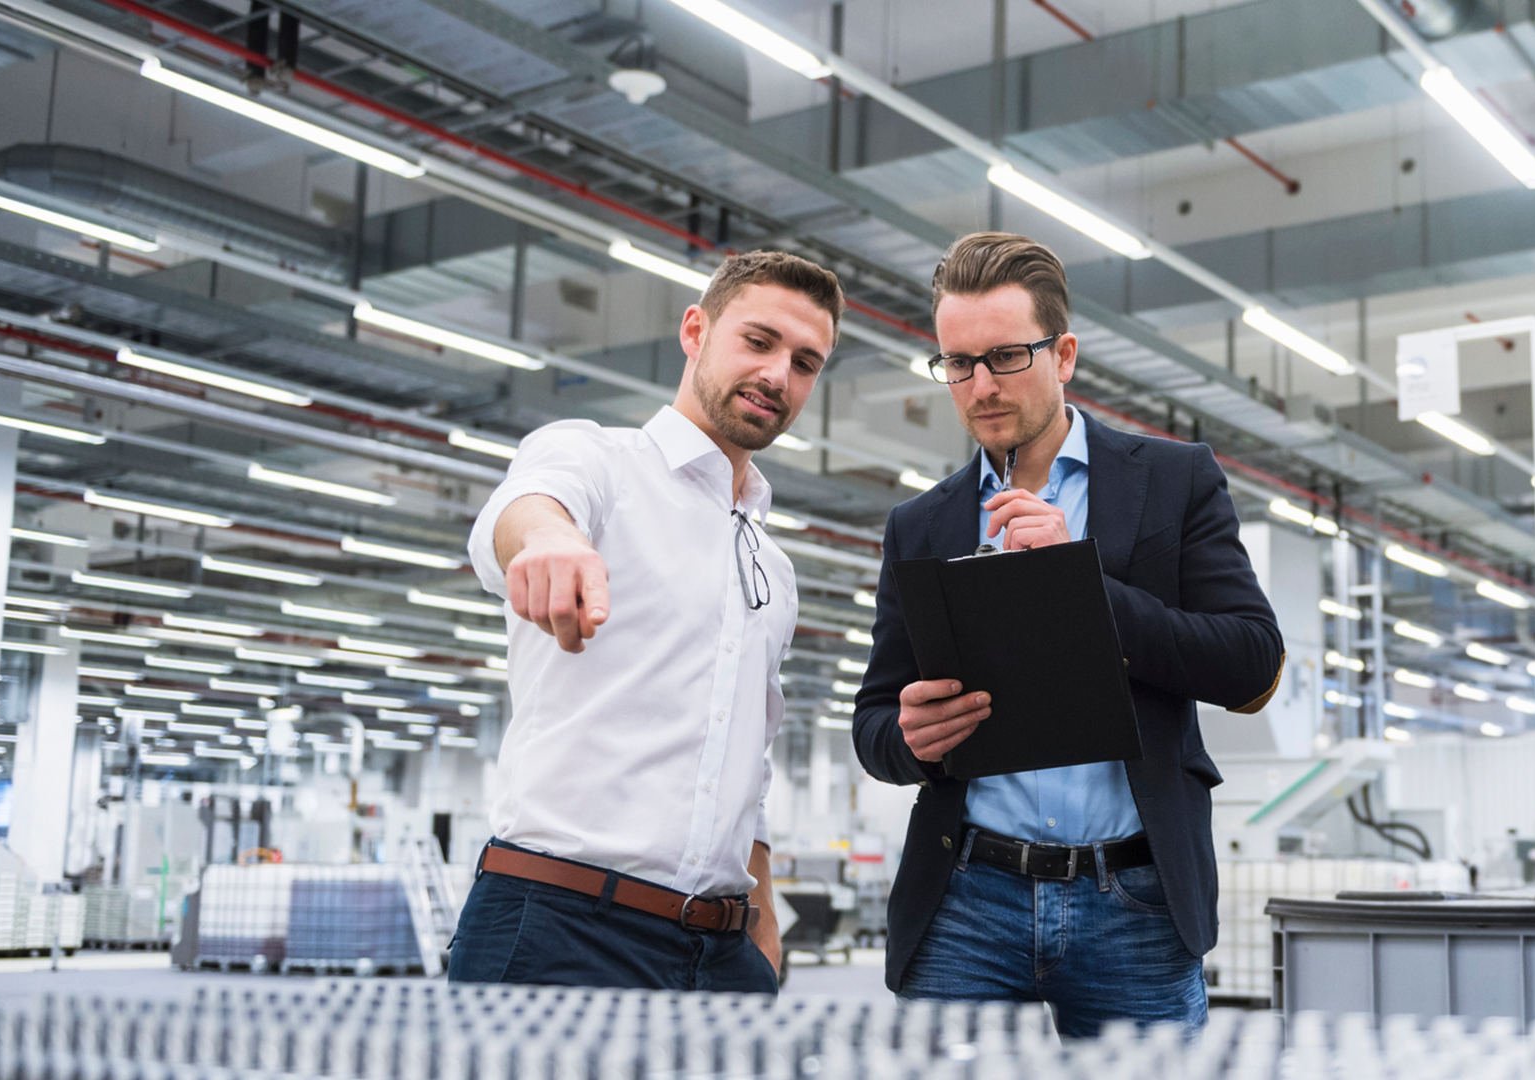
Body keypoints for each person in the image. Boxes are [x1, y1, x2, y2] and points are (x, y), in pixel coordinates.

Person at [851, 232, 1284, 1036]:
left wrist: (1080, 585)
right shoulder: (922, 524)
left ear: (1066, 354)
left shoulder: (1174, 481)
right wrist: (908, 739)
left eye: (1007, 357)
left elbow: (1251, 664)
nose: (980, 386)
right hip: (967, 899)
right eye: (958, 363)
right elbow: (874, 724)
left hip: (1136, 899)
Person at [451, 250, 844, 992]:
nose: (777, 376)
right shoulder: (597, 460)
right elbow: (527, 505)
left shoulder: (771, 566)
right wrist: (551, 539)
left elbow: (747, 759)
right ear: (695, 330)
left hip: (721, 951)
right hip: (559, 928)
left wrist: (760, 916)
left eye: (805, 362)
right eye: (757, 342)